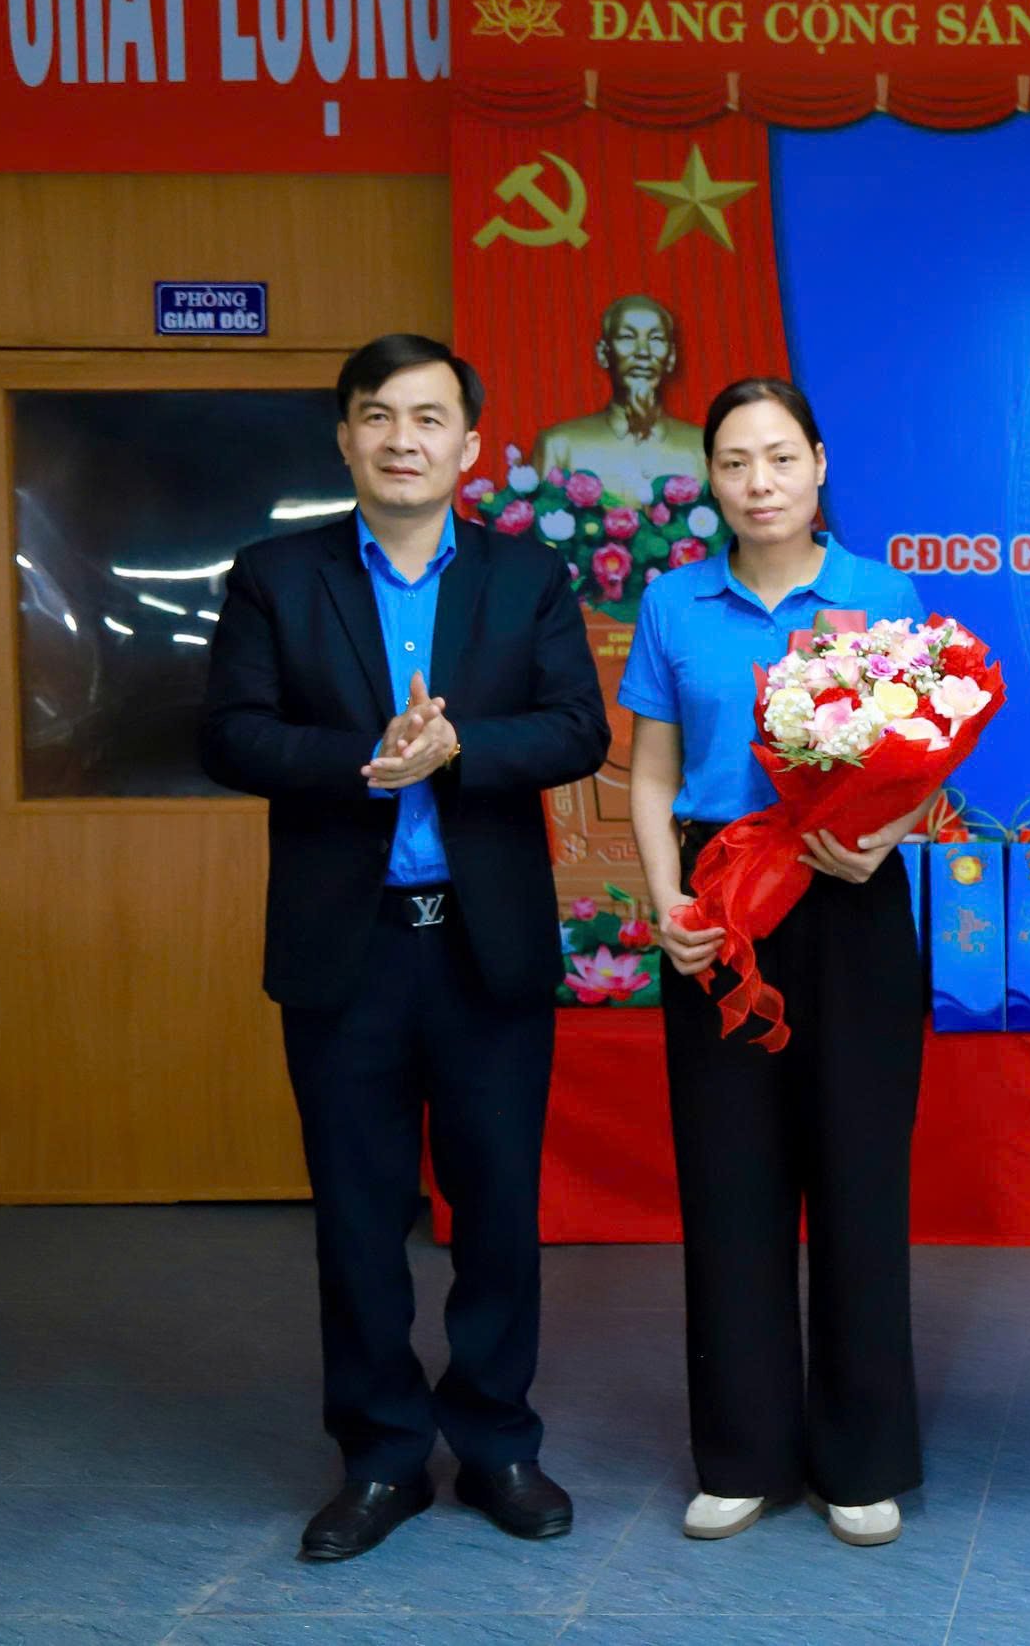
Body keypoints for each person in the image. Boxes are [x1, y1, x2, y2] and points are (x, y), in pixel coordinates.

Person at [200, 333, 610, 1560]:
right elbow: (230, 734)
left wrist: (460, 746)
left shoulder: (526, 575)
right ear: (344, 437)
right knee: (358, 1215)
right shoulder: (276, 575)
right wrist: (364, 760)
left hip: (485, 947)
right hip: (349, 949)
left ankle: (496, 1443)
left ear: (469, 445)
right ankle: (381, 1456)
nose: (402, 439)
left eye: (429, 418)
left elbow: (576, 729)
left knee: (498, 1209)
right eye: (377, 415)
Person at [621, 377, 933, 1548]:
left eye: (781, 458)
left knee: (858, 1178)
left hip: (848, 901)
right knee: (730, 1179)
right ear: (710, 477)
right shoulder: (674, 601)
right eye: (735, 462)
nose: (760, 483)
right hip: (720, 909)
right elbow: (653, 772)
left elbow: (923, 758)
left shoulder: (878, 594)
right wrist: (665, 900)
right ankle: (742, 1449)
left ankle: (859, 1456)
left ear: (819, 463)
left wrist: (886, 836)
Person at [530, 294, 708, 499]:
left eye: (656, 339)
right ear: (603, 353)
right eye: (627, 337)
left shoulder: (704, 448)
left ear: (671, 357)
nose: (643, 352)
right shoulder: (559, 446)